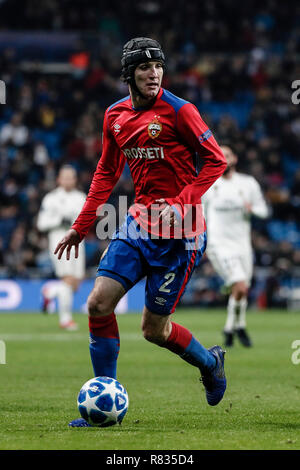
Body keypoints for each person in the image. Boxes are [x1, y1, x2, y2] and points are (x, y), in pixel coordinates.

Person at [54, 37, 228, 427]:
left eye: (159, 67)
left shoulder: (182, 111)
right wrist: (81, 227)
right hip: (138, 223)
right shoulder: (115, 115)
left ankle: (210, 362)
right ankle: (105, 400)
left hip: (180, 233)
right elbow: (106, 172)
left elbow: (215, 161)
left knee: (154, 330)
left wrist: (181, 201)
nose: (154, 74)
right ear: (129, 74)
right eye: (145, 68)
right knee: (98, 303)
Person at [202, 145, 269, 348]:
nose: (224, 158)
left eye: (227, 155)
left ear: (235, 159)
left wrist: (253, 209)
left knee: (241, 289)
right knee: (239, 285)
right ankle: (238, 326)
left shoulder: (248, 183)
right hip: (219, 244)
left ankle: (232, 327)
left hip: (242, 245)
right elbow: (199, 216)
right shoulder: (208, 185)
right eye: (220, 154)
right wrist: (201, 242)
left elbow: (264, 210)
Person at [37, 165, 86, 331]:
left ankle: (50, 292)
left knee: (76, 282)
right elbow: (41, 223)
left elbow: (88, 220)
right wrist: (59, 221)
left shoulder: (81, 197)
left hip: (78, 241)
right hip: (59, 240)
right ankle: (65, 320)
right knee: (67, 278)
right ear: (58, 179)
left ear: (75, 179)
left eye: (70, 177)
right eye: (64, 177)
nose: (67, 180)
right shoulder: (50, 199)